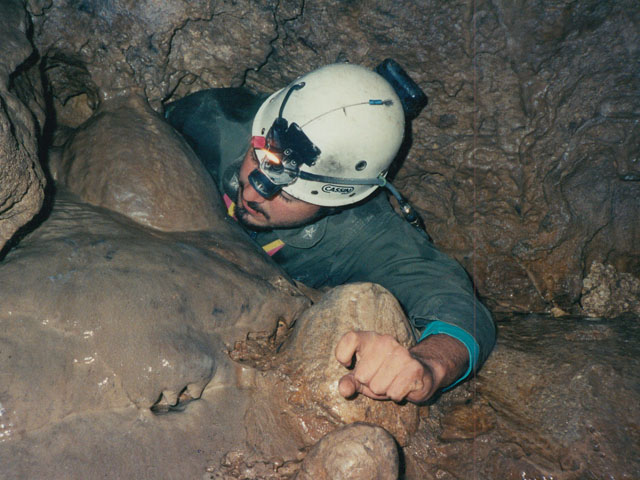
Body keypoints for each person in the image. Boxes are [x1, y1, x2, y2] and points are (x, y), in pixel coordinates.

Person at [165, 62, 495, 404]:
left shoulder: (363, 235)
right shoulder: (212, 120)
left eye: (288, 196)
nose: (250, 194)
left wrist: (430, 364)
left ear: (337, 202)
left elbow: (462, 310)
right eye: (255, 158)